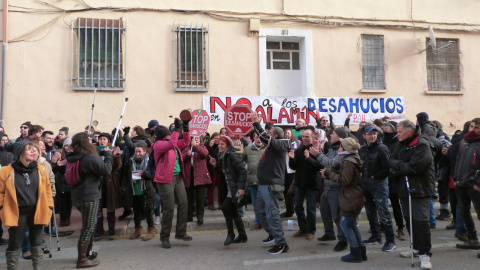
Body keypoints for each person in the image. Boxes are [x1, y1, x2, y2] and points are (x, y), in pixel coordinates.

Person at [0, 141, 54, 269]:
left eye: (35, 149)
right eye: (29, 149)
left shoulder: (41, 170)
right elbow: (0, 192)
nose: (34, 151)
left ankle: (38, 268)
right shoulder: (6, 171)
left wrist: (49, 207)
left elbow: (47, 190)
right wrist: (2, 208)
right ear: (20, 153)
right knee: (14, 243)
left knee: (37, 243)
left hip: (37, 211)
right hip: (16, 212)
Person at [389, 120, 434, 270]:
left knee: (421, 222)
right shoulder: (400, 143)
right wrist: (402, 166)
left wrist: (399, 166)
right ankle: (414, 247)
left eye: (400, 131)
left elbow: (416, 167)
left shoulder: (422, 144)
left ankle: (425, 254)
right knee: (409, 220)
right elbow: (391, 160)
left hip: (420, 189)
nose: (397, 134)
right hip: (403, 187)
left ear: (409, 131)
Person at [66, 132, 113, 268]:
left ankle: (85, 255)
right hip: (89, 196)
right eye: (89, 140)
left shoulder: (74, 156)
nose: (92, 142)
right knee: (88, 227)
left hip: (78, 195)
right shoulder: (89, 157)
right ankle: (82, 259)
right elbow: (106, 170)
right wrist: (108, 155)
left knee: (87, 226)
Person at [250, 112, 290, 254]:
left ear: (276, 135)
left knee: (272, 213)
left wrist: (256, 124)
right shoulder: (273, 145)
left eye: (270, 133)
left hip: (271, 184)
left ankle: (281, 243)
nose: (267, 134)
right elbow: (264, 137)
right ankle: (273, 233)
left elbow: (264, 137)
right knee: (260, 210)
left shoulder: (281, 143)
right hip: (263, 184)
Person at [321, 137, 365, 263]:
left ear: (345, 148)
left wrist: (329, 174)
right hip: (354, 195)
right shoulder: (353, 158)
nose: (339, 148)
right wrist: (331, 171)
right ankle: (361, 252)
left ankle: (355, 253)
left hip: (350, 196)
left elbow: (344, 180)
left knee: (345, 225)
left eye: (341, 146)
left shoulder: (348, 161)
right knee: (351, 224)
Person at [152, 119, 192, 249]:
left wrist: (186, 129)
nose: (171, 134)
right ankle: (165, 237)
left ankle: (181, 232)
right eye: (169, 133)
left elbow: (186, 142)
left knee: (183, 203)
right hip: (164, 180)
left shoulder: (171, 143)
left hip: (177, 178)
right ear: (164, 135)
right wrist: (176, 129)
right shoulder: (158, 144)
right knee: (169, 209)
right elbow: (172, 143)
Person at [312, 127, 350, 251]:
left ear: (340, 136)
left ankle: (342, 239)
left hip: (336, 188)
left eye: (333, 134)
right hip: (328, 186)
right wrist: (319, 151)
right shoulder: (333, 148)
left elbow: (331, 163)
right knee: (324, 211)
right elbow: (325, 161)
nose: (330, 136)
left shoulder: (343, 150)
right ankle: (329, 233)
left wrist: (317, 154)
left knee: (337, 215)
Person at [359, 126, 397, 251]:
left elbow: (388, 168)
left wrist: (376, 176)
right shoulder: (363, 149)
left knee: (383, 213)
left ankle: (391, 241)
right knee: (370, 212)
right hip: (366, 185)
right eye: (369, 134)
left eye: (374, 133)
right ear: (364, 135)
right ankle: (375, 237)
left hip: (379, 185)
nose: (372, 136)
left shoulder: (382, 148)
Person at [209, 136, 247, 246]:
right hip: (227, 187)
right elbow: (222, 173)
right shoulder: (221, 155)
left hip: (234, 187)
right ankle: (242, 235)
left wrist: (241, 188)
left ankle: (231, 234)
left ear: (228, 145)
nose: (220, 146)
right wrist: (215, 165)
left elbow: (242, 171)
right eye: (219, 144)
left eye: (222, 144)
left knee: (225, 207)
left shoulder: (232, 155)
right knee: (233, 211)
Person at [288, 128, 323, 241]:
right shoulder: (299, 150)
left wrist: (309, 159)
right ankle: (303, 228)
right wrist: (291, 159)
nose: (304, 139)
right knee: (298, 206)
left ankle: (311, 230)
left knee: (311, 209)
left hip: (312, 184)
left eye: (307, 137)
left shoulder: (316, 149)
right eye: (303, 137)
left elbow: (319, 166)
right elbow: (294, 167)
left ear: (313, 137)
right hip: (300, 183)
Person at [453, 118, 480, 255]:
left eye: (476, 128)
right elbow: (458, 161)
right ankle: (472, 239)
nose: (472, 129)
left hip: (474, 186)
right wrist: (456, 178)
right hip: (461, 184)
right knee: (464, 212)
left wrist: (478, 184)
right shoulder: (464, 141)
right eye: (471, 126)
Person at [118, 125, 151, 221]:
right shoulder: (131, 140)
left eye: (133, 131)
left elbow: (132, 147)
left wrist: (126, 135)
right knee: (125, 191)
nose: (131, 132)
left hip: (135, 170)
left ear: (137, 133)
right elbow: (123, 145)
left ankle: (142, 212)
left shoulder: (141, 141)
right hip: (126, 169)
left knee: (136, 192)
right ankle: (127, 209)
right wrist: (116, 136)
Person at [93, 133, 122, 240]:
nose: (102, 141)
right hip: (98, 182)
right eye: (100, 139)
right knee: (98, 210)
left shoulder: (112, 149)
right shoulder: (94, 150)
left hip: (110, 182)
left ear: (108, 141)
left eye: (104, 139)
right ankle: (98, 231)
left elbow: (117, 166)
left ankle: (111, 231)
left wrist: (115, 156)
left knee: (111, 209)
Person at [127, 142, 157, 241]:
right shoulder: (131, 161)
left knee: (148, 211)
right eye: (136, 151)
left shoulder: (149, 160)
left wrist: (143, 173)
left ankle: (151, 231)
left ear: (145, 151)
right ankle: (137, 230)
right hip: (135, 190)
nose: (137, 154)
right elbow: (126, 174)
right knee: (136, 212)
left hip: (146, 190)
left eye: (140, 151)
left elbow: (153, 174)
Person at [383, 121, 406, 241]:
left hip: (393, 177)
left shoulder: (397, 143)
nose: (386, 128)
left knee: (395, 203)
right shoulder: (382, 140)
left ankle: (400, 227)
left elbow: (397, 159)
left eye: (389, 127)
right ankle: (383, 225)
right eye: (385, 126)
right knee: (381, 203)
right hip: (382, 175)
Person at [182, 136, 211, 225]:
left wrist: (196, 147)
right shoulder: (187, 149)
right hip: (189, 176)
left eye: (197, 139)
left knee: (200, 199)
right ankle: (189, 215)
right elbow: (181, 159)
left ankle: (200, 216)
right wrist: (187, 155)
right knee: (188, 198)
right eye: (193, 139)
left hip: (200, 176)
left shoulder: (202, 147)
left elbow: (205, 154)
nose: (195, 140)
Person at [241, 131, 266, 230]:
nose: (259, 139)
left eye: (260, 137)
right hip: (253, 180)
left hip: (265, 180)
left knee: (265, 203)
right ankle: (258, 222)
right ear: (253, 139)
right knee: (256, 204)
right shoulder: (247, 149)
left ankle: (265, 222)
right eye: (256, 137)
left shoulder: (267, 149)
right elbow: (239, 160)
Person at [279, 128, 298, 218]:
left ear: (291, 135)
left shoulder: (296, 143)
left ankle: (292, 205)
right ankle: (288, 205)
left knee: (292, 189)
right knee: (286, 188)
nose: (287, 134)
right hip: (284, 168)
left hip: (292, 169)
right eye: (286, 133)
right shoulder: (282, 144)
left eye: (289, 133)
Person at [206, 132, 221, 210]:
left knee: (220, 187)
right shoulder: (208, 145)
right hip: (210, 170)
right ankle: (210, 203)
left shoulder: (221, 147)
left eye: (218, 138)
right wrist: (209, 147)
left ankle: (220, 203)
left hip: (219, 169)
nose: (217, 140)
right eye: (215, 138)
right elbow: (204, 155)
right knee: (210, 187)